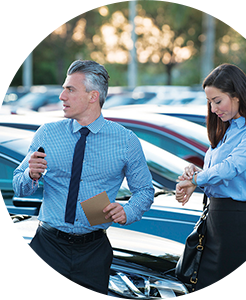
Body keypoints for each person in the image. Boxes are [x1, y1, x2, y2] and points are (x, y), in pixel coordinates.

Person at [13, 59, 154, 300]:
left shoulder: (125, 141)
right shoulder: (47, 133)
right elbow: (19, 184)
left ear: (93, 96)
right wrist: (30, 175)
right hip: (48, 246)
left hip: (93, 251)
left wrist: (128, 211)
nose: (61, 96)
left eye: (70, 89)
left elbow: (144, 190)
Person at [176, 63, 246, 300]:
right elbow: (218, 173)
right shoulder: (226, 131)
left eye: (217, 101)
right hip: (213, 227)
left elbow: (231, 168)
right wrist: (194, 174)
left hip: (236, 232)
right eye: (209, 102)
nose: (212, 108)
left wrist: (197, 180)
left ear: (238, 96)